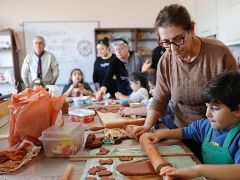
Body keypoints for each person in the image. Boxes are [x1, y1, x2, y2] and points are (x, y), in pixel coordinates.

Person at [131, 4, 238, 138]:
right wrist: (147, 126)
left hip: (219, 133)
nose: (172, 48)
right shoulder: (165, 61)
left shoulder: (219, 54)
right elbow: (159, 99)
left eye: (178, 39)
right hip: (182, 131)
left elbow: (235, 99)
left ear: (192, 29)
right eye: (165, 42)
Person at [139, 71, 240, 180]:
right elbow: (185, 132)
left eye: (215, 109)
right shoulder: (206, 126)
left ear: (238, 110)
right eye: (207, 106)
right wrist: (160, 135)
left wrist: (198, 170)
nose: (207, 114)